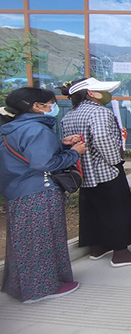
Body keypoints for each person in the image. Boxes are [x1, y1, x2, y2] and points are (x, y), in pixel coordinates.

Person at [0, 88, 86, 303]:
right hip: (38, 191)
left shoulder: (13, 127)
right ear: (37, 106)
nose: (53, 107)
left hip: (18, 191)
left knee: (23, 242)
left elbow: (26, 154)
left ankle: (20, 286)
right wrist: (74, 153)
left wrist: (61, 144)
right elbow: (44, 163)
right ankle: (40, 289)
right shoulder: (36, 129)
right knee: (42, 241)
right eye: (50, 103)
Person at [60, 78, 131, 267]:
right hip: (106, 170)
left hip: (85, 172)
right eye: (101, 90)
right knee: (118, 209)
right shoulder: (99, 112)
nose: (106, 94)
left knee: (93, 210)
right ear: (90, 93)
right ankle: (121, 253)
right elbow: (102, 138)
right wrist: (115, 160)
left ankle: (97, 248)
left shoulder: (70, 114)